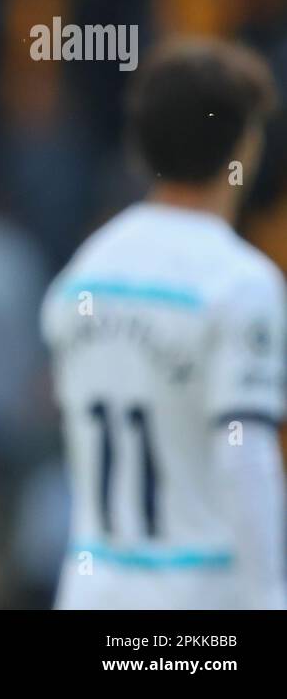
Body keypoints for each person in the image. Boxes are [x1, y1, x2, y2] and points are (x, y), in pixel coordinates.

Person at [42, 38, 286, 609]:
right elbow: (242, 451)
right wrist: (271, 597)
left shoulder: (81, 276)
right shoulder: (240, 283)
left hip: (94, 591)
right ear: (244, 149)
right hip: (199, 603)